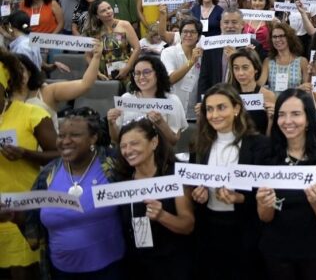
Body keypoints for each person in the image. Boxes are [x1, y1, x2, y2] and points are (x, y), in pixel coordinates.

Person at [5, 109, 122, 279]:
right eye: (61, 135)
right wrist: (12, 215)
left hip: (110, 271)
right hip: (60, 272)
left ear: (93, 138)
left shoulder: (114, 167)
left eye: (74, 135)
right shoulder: (47, 175)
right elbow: (32, 220)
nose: (65, 141)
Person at [256, 89, 316, 280]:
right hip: (276, 252)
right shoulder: (266, 154)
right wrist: (264, 202)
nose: (287, 121)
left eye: (295, 114)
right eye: (281, 115)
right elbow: (264, 217)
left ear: (308, 119)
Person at [191, 83, 268, 280]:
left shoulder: (258, 145)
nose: (214, 115)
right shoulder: (200, 145)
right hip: (209, 230)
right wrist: (198, 194)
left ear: (236, 109)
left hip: (245, 232)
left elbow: (266, 194)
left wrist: (241, 198)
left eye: (221, 107)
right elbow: (194, 181)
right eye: (209, 109)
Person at [0, 53, 58, 279]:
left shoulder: (31, 114)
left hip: (22, 214)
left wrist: (26, 154)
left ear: (5, 87)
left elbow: (61, 157)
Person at [115, 118, 194, 280]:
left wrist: (162, 216)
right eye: (123, 146)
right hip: (135, 264)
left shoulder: (175, 176)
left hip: (172, 264)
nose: (128, 150)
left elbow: (187, 225)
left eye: (134, 143)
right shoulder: (121, 178)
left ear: (154, 142)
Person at [13, 41, 101, 130]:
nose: (19, 75)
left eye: (22, 70)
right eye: (13, 72)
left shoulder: (47, 91)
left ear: (29, 71)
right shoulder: (5, 97)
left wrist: (96, 58)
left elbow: (85, 84)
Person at [107, 54, 188, 146]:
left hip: (159, 155)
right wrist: (111, 123)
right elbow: (116, 139)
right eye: (137, 73)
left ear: (158, 73)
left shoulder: (172, 101)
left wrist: (160, 123)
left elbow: (173, 141)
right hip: (130, 153)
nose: (141, 77)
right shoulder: (126, 98)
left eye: (147, 72)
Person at [196, 8, 267, 101]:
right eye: (226, 22)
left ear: (242, 24)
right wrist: (201, 102)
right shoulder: (210, 44)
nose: (230, 26)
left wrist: (236, 57)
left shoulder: (254, 45)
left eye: (234, 22)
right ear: (221, 24)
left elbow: (257, 77)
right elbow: (204, 78)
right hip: (216, 98)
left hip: (243, 100)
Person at [84, 0, 141, 81]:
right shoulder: (94, 31)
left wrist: (127, 67)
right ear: (97, 16)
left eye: (109, 8)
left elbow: (137, 48)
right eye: (103, 11)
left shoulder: (125, 25)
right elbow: (88, 56)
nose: (108, 12)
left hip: (125, 70)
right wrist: (97, 73)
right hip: (104, 74)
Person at [161, 18, 203, 122]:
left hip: (194, 115)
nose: (188, 35)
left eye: (193, 32)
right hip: (172, 113)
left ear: (199, 36)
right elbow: (169, 79)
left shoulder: (203, 55)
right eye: (185, 32)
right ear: (180, 34)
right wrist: (191, 62)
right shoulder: (168, 52)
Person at [228, 47, 276, 135]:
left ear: (256, 69)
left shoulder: (267, 95)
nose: (240, 73)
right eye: (236, 68)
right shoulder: (229, 95)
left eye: (245, 68)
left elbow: (271, 134)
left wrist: (271, 118)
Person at [263, 21, 309, 93]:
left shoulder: (302, 61)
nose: (278, 40)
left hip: (295, 102)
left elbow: (307, 88)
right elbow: (259, 86)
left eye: (281, 36)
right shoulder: (268, 61)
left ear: (289, 38)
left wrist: (298, 89)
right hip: (274, 103)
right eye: (274, 37)